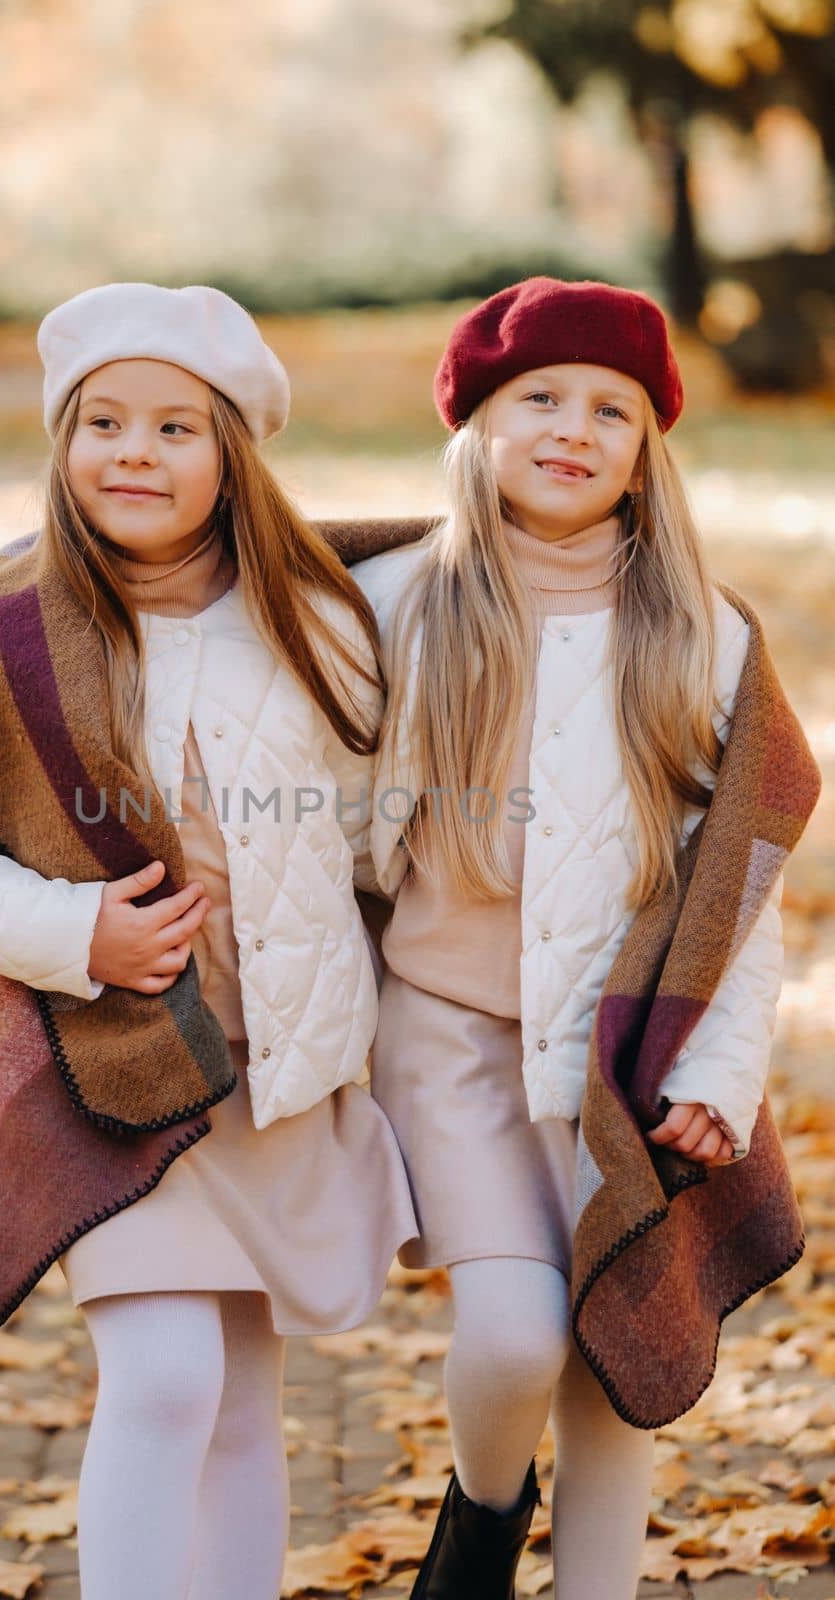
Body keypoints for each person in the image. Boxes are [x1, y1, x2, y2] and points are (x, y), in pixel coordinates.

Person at [0, 282, 418, 1600]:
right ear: (62, 444)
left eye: (175, 428)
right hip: (111, 1062)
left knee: (237, 1400)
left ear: (233, 452)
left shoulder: (325, 616)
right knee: (165, 1380)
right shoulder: (6, 626)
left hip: (273, 1073)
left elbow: (385, 831)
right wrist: (75, 931)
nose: (133, 454)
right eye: (102, 421)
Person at [351, 276, 809, 1600]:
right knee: (509, 1338)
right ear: (476, 427)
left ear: (647, 449)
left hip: (622, 1056)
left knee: (616, 1365)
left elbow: (742, 890)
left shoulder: (706, 642)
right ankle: (482, 1525)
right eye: (538, 398)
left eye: (613, 408)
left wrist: (720, 1075)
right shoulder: (389, 608)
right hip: (444, 1037)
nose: (574, 427)